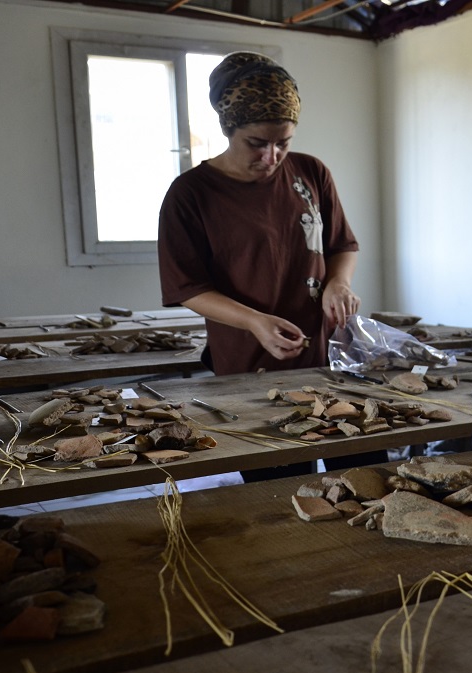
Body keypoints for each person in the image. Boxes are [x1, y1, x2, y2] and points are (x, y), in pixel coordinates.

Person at [158, 52, 374, 479]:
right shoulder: (191, 194)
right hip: (249, 361)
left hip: (326, 359)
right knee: (281, 485)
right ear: (227, 128)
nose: (272, 156)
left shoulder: (311, 172)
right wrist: (255, 321)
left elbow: (341, 244)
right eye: (257, 143)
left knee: (361, 473)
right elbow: (188, 287)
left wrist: (338, 284)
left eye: (284, 142)